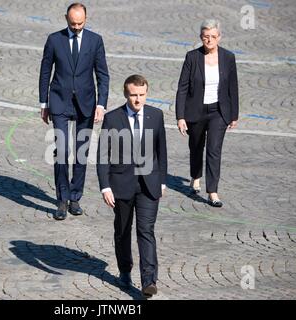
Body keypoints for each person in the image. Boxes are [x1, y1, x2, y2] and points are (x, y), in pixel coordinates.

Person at [97, 75, 167, 298]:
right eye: (134, 95)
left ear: (147, 93)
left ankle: (149, 280)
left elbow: (161, 151)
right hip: (121, 185)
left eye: (142, 95)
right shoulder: (113, 118)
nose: (138, 100)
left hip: (149, 185)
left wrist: (162, 180)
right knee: (123, 230)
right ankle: (125, 270)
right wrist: (105, 186)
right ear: (126, 94)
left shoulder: (156, 115)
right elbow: (102, 155)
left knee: (146, 230)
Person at [39, 2, 109, 220]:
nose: (77, 27)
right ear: (66, 19)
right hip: (59, 102)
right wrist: (44, 104)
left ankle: (75, 197)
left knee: (81, 152)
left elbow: (102, 75)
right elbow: (45, 72)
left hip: (86, 104)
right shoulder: (54, 40)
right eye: (72, 23)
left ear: (86, 19)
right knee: (61, 150)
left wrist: (101, 104)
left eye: (80, 23)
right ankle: (61, 199)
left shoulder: (95, 41)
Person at [175, 19, 239, 207]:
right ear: (200, 37)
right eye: (205, 37)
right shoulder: (192, 57)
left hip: (219, 111)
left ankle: (212, 192)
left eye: (213, 37)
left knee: (214, 150)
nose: (209, 40)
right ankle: (195, 176)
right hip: (195, 111)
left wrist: (234, 114)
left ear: (219, 37)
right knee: (196, 146)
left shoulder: (228, 57)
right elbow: (182, 88)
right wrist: (180, 116)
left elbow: (233, 87)